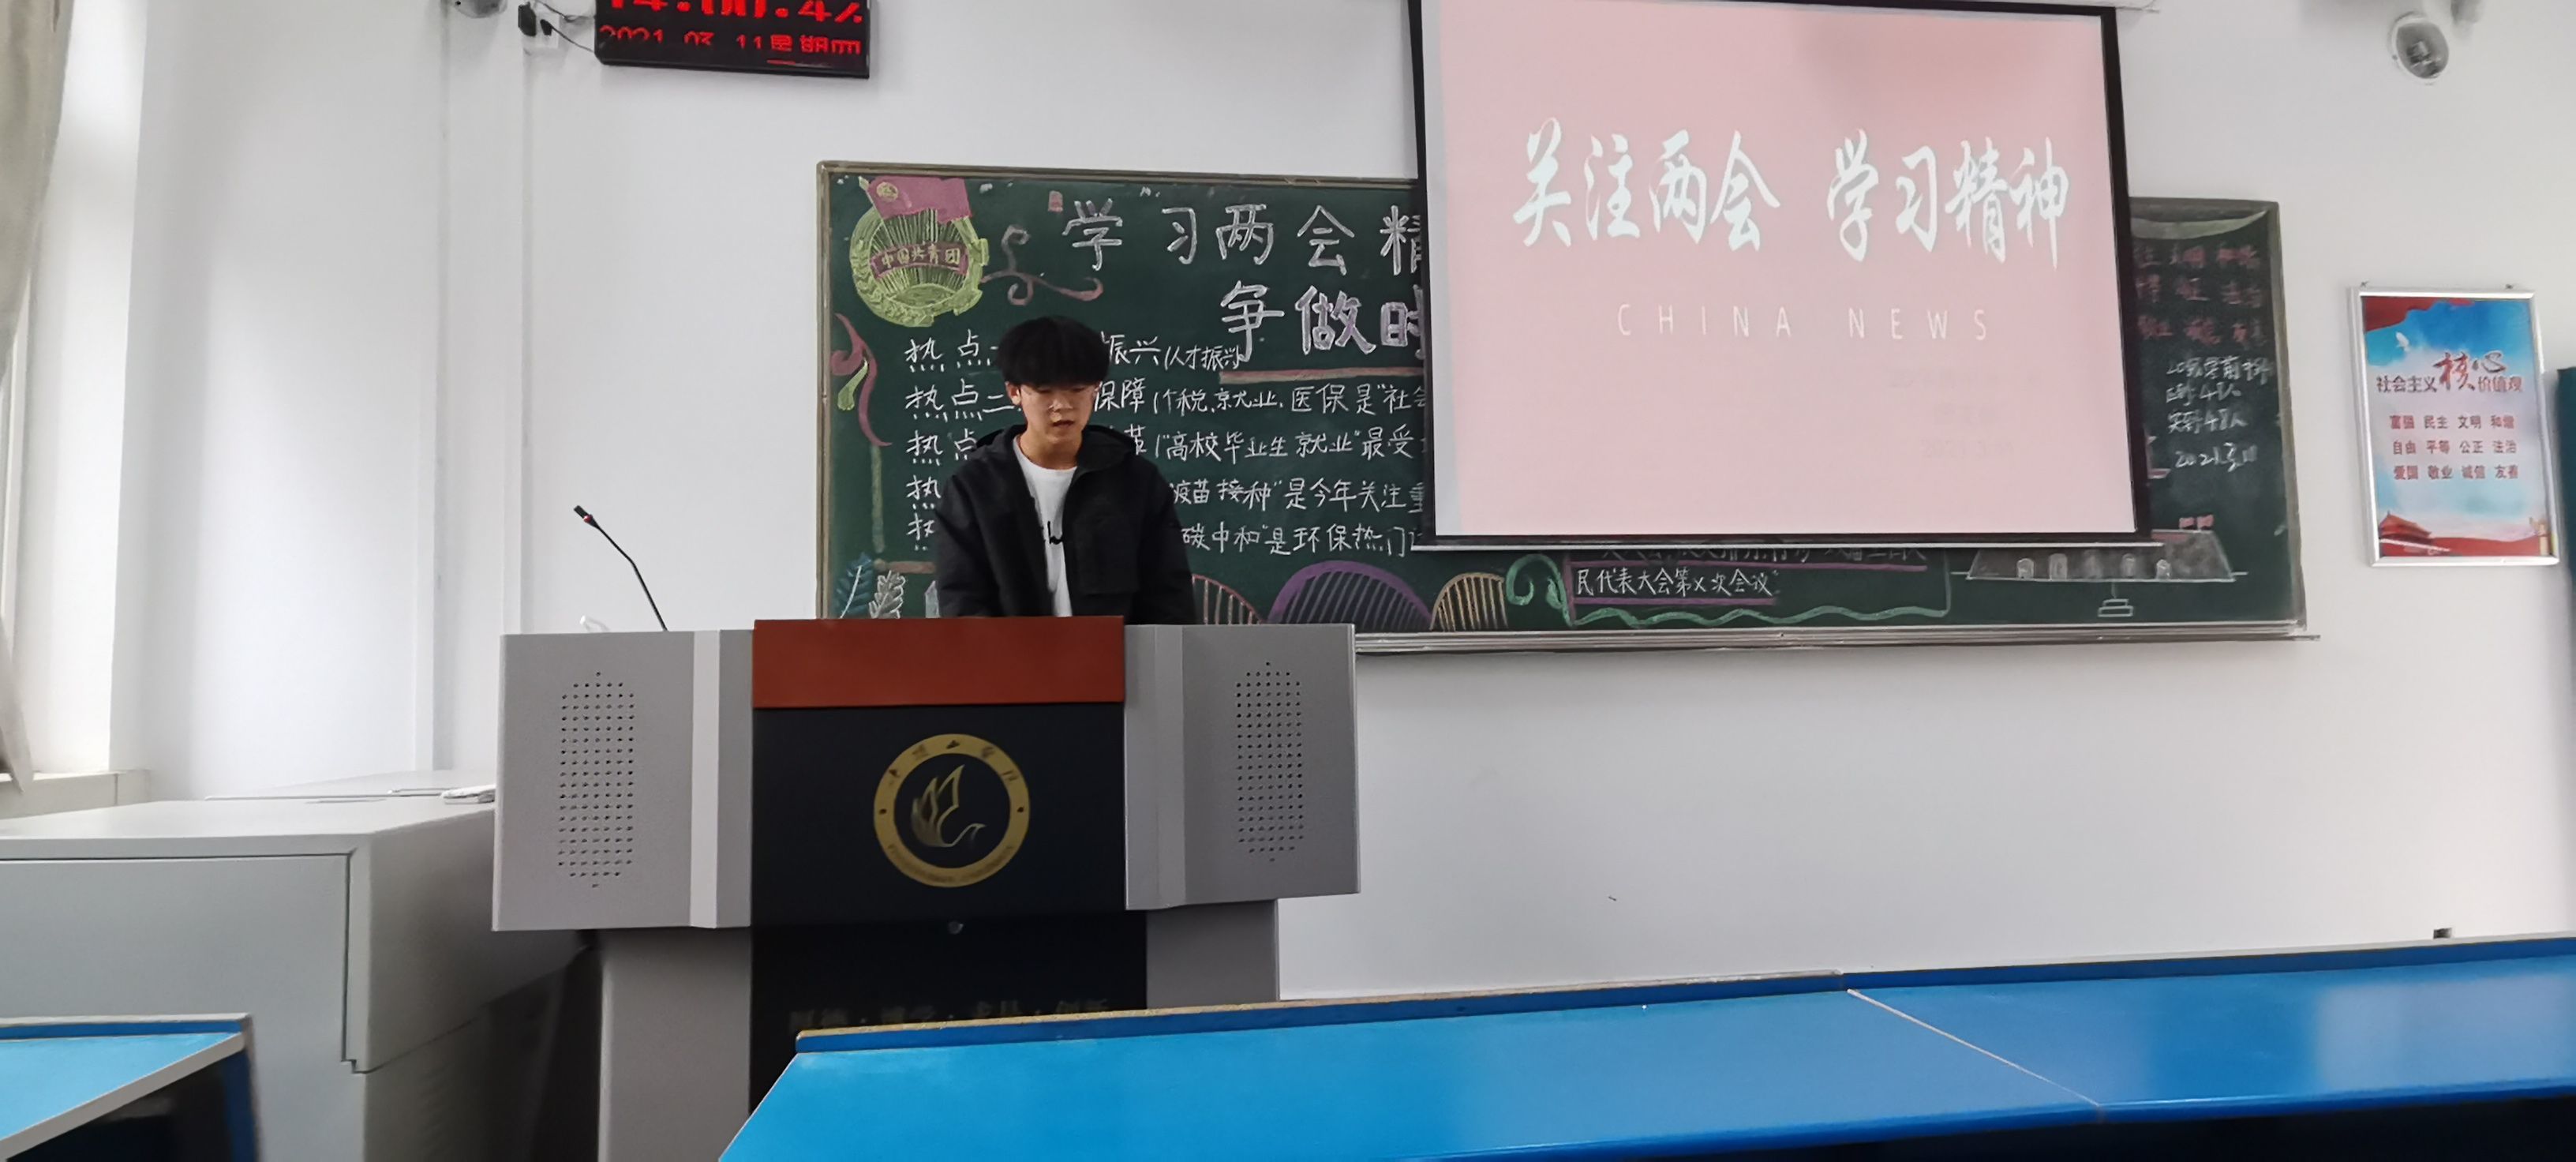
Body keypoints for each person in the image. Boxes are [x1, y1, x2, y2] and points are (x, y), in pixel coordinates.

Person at [932, 317, 1196, 623]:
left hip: (1115, 651)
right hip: (1009, 652)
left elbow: (1168, 594)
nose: (1062, 405)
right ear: (1014, 392)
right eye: (1045, 391)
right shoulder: (976, 485)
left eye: (1077, 389)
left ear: (1095, 389)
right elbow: (962, 598)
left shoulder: (1135, 480)